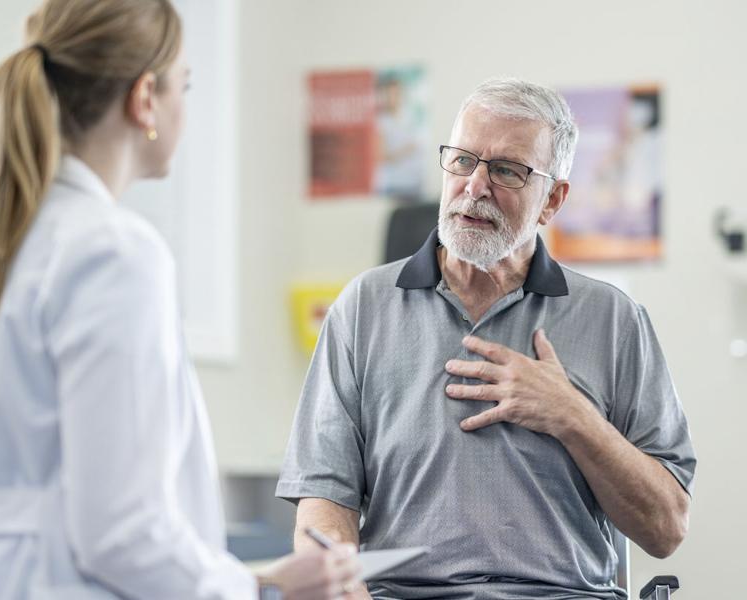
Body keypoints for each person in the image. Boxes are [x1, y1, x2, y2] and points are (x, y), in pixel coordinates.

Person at [0, 1, 360, 599]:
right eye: (183, 88)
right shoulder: (112, 253)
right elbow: (121, 533)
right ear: (145, 100)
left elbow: (39, 516)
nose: (185, 111)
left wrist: (247, 577)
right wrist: (261, 593)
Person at [277, 78, 696, 600]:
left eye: (506, 170)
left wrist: (573, 417)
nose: (475, 186)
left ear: (552, 199)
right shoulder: (363, 308)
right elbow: (323, 508)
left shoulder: (615, 320)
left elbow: (666, 529)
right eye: (462, 160)